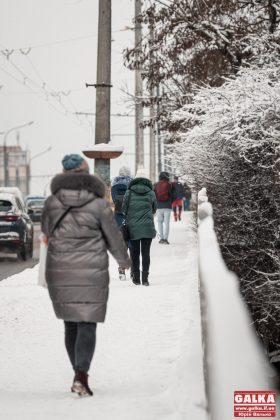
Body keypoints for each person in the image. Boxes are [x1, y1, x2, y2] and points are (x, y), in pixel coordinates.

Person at [41, 154, 130, 397]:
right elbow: (113, 236)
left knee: (70, 323)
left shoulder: (51, 203)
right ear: (86, 172)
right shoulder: (98, 204)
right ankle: (81, 374)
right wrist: (123, 260)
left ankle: (77, 373)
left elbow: (46, 232)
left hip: (60, 270)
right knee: (87, 322)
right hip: (92, 272)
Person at [122, 167, 157, 286]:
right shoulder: (151, 192)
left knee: (135, 253)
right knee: (146, 253)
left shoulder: (129, 192)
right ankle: (145, 279)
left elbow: (123, 209)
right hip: (147, 227)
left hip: (133, 227)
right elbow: (154, 209)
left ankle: (136, 278)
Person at [111, 166, 133, 280]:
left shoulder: (114, 185)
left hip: (118, 217)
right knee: (132, 242)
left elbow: (114, 201)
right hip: (130, 216)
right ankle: (133, 270)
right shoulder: (131, 185)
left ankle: (121, 269)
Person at [154, 171, 174, 244]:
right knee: (167, 223)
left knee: (159, 223)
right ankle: (165, 239)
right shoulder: (169, 184)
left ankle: (161, 238)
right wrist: (170, 202)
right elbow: (173, 195)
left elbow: (154, 195)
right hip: (167, 206)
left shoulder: (156, 184)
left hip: (159, 206)